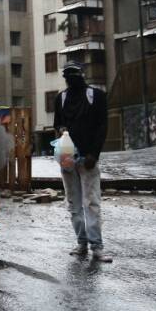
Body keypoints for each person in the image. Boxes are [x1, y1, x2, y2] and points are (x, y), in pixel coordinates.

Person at [53, 62, 111, 262]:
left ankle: (97, 247)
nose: (70, 79)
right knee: (74, 204)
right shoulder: (60, 98)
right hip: (67, 159)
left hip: (88, 159)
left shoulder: (96, 96)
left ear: (81, 75)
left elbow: (102, 126)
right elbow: (57, 124)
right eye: (67, 75)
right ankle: (82, 243)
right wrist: (62, 136)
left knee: (92, 203)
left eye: (73, 75)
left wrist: (93, 154)